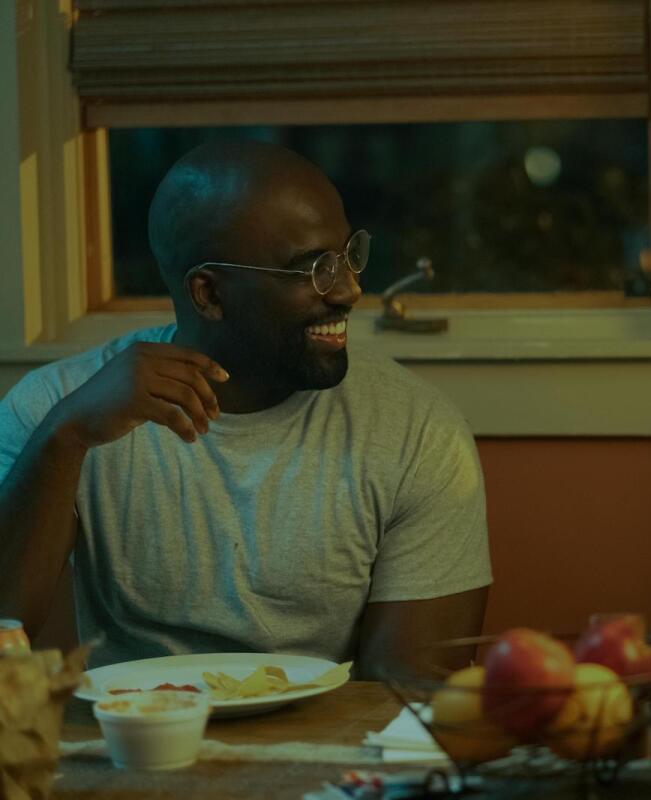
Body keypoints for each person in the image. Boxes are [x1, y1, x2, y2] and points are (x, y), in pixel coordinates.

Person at [0, 141, 492, 677]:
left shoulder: (414, 431)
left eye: (349, 256)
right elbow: (3, 625)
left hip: (327, 753)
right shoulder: (58, 407)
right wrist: (64, 438)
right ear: (208, 295)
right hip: (131, 746)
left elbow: (409, 696)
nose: (351, 290)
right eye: (314, 269)